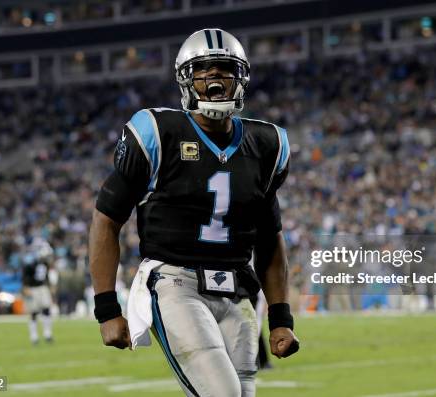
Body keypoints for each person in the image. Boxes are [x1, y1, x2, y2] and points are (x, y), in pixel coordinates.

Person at [89, 28, 299, 396]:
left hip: (238, 291)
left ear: (241, 78)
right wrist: (107, 308)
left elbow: (270, 238)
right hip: (176, 284)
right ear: (186, 79)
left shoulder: (266, 144)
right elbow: (106, 219)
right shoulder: (157, 132)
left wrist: (281, 317)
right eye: (203, 69)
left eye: (224, 68)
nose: (215, 76)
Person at [21, 242, 55, 345]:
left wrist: (50, 285)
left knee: (47, 309)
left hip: (42, 287)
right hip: (32, 288)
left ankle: (47, 334)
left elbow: (46, 275)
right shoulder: (30, 262)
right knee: (33, 312)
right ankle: (34, 336)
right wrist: (26, 287)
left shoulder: (44, 263)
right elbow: (25, 275)